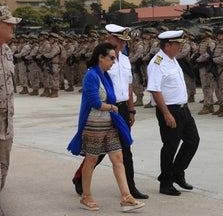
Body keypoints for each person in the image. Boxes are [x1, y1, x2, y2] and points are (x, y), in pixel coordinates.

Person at [71, 24, 148, 199]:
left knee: (125, 148)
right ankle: (80, 178)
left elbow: (129, 86)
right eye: (119, 41)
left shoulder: (126, 60)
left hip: (121, 109)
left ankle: (130, 187)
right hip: (105, 109)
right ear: (110, 39)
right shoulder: (103, 60)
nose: (122, 45)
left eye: (124, 42)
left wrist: (131, 110)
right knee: (97, 151)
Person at [147, 30, 200, 196]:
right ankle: (165, 183)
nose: (180, 47)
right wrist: (166, 113)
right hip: (170, 110)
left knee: (192, 141)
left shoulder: (172, 59)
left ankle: (177, 172)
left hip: (183, 109)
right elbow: (155, 90)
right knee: (170, 146)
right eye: (177, 44)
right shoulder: (157, 63)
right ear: (168, 46)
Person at [0, 6, 21, 203]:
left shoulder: (6, 51)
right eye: (9, 24)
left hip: (6, 121)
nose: (13, 28)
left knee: (3, 165)